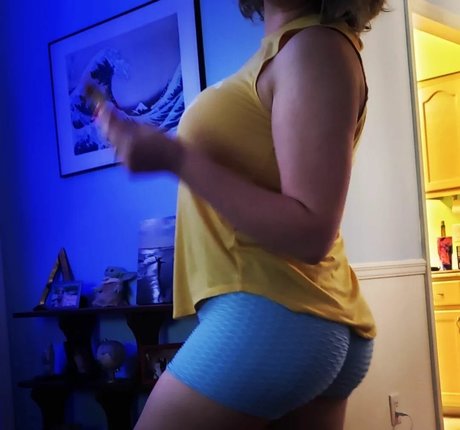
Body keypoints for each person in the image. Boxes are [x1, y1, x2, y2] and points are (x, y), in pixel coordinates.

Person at [94, 1, 386, 428]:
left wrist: (174, 158)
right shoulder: (291, 51)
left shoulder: (315, 47)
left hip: (273, 314)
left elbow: (311, 230)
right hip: (302, 316)